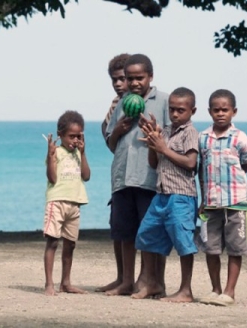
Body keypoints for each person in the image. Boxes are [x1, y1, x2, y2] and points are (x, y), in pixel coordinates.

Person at [104, 54, 169, 296]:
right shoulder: (122, 103)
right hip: (123, 177)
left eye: (139, 78)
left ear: (150, 77)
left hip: (149, 178)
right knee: (125, 232)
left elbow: (170, 141)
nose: (134, 83)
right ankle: (127, 281)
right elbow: (112, 144)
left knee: (150, 231)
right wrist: (118, 130)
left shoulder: (163, 101)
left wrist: (155, 134)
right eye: (129, 78)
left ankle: (151, 281)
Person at [133, 87, 199, 302]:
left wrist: (164, 149)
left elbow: (190, 163)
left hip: (181, 196)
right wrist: (154, 144)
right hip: (161, 194)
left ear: (192, 111)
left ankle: (185, 290)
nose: (175, 114)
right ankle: (153, 283)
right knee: (146, 234)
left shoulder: (190, 132)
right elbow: (154, 164)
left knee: (183, 242)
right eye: (172, 109)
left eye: (181, 110)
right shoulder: (166, 131)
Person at [195, 89, 247, 306]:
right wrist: (203, 199)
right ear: (209, 111)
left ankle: (229, 292)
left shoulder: (240, 138)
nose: (220, 114)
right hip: (211, 203)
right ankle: (215, 289)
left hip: (236, 203)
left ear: (234, 111)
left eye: (225, 110)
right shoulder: (202, 139)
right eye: (216, 110)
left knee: (235, 248)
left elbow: (245, 165)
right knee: (210, 247)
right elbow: (201, 171)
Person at [43, 110, 90, 296]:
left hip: (75, 203)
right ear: (60, 134)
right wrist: (51, 158)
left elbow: (86, 176)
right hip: (57, 202)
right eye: (71, 136)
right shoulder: (57, 153)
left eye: (79, 136)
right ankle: (49, 283)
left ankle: (66, 282)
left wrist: (83, 153)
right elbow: (52, 178)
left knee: (70, 244)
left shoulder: (78, 153)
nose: (75, 140)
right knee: (52, 242)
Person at [96, 53, 132, 293]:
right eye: (114, 80)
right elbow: (108, 138)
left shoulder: (143, 102)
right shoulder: (114, 106)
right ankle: (122, 277)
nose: (118, 84)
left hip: (142, 175)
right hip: (120, 174)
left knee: (140, 231)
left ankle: (138, 279)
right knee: (119, 230)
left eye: (122, 79)